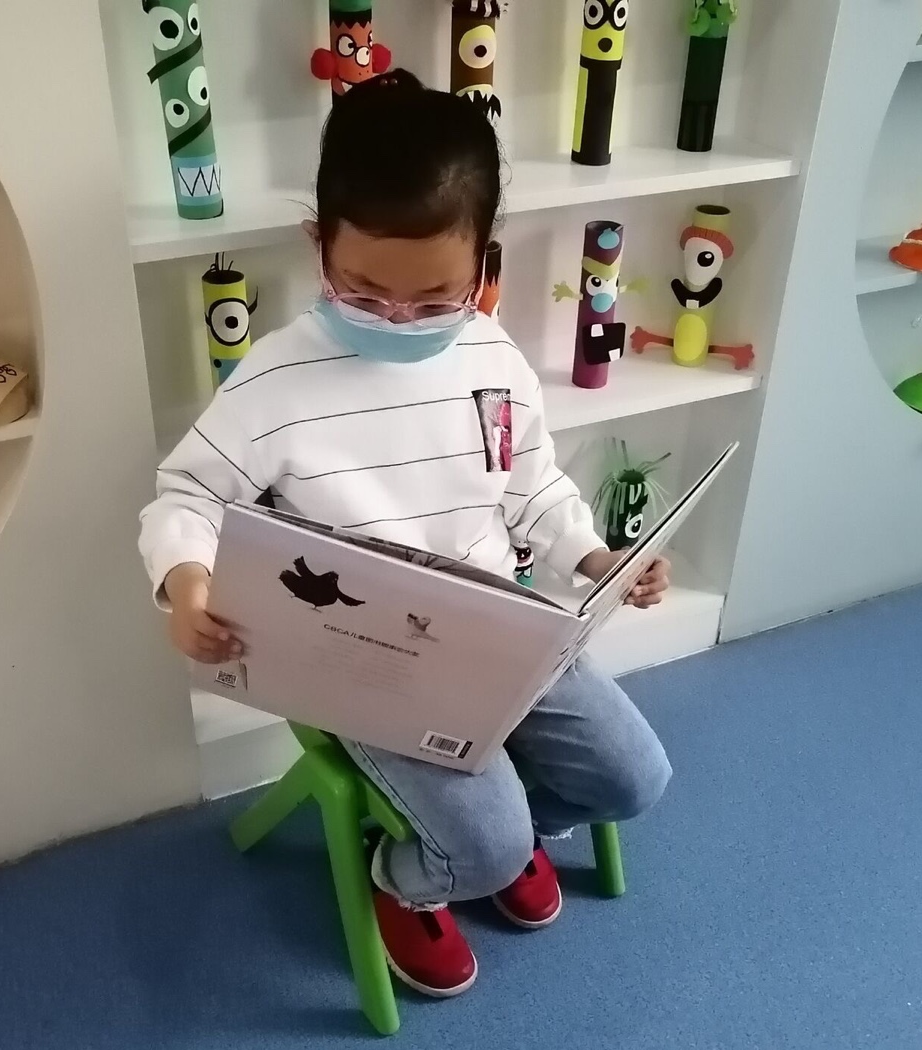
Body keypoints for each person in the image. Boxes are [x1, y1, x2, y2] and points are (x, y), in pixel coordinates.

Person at [138, 71, 673, 999]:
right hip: (367, 660)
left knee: (635, 779)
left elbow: (531, 486)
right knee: (485, 844)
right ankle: (409, 879)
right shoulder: (275, 380)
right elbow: (186, 493)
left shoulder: (492, 355)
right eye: (362, 291)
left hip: (501, 632)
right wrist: (184, 582)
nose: (397, 318)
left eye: (434, 299)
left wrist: (596, 557)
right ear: (319, 245)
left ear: (482, 266)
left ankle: (506, 840)